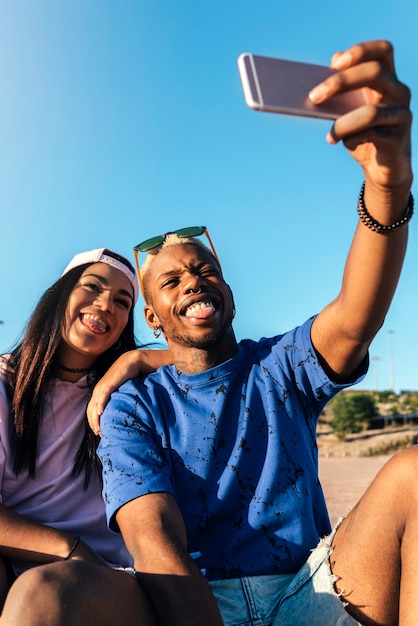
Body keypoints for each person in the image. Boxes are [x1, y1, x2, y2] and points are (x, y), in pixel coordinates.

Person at [98, 40, 413, 625]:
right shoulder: (133, 405)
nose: (193, 281)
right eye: (171, 281)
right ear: (152, 317)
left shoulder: (279, 365)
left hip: (310, 589)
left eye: (205, 269)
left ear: (228, 292)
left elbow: (355, 316)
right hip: (196, 601)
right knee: (58, 593)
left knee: (414, 471)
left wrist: (388, 186)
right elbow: (154, 542)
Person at [0, 248, 171, 625]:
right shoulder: (5, 384)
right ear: (60, 295)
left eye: (122, 301)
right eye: (92, 286)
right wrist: (71, 549)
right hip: (27, 565)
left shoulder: (123, 392)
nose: (106, 304)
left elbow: (212, 359)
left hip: (111, 578)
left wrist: (135, 360)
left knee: (44, 593)